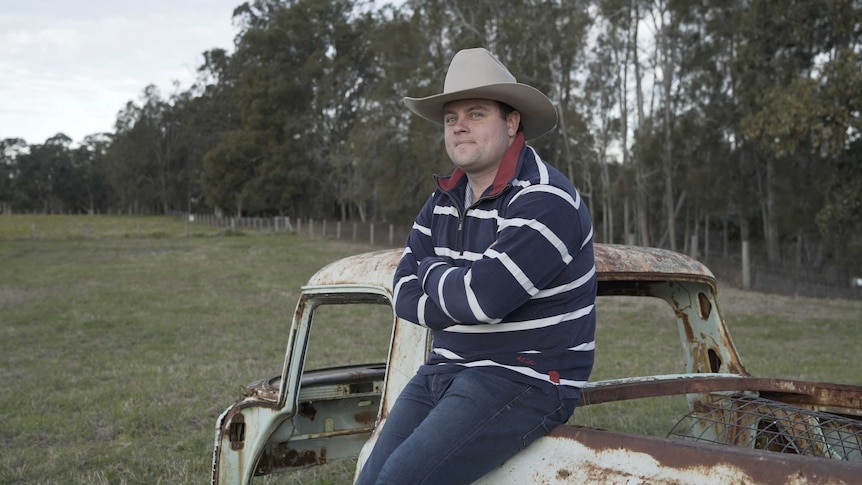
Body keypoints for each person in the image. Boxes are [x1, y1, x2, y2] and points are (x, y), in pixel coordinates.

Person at [356, 47, 597, 485]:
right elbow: (403, 293)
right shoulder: (444, 199)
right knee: (371, 477)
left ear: (511, 122)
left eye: (476, 113)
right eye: (451, 118)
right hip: (445, 366)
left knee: (400, 481)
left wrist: (431, 271)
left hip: (524, 377)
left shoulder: (545, 199)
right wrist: (453, 287)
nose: (459, 126)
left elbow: (482, 299)